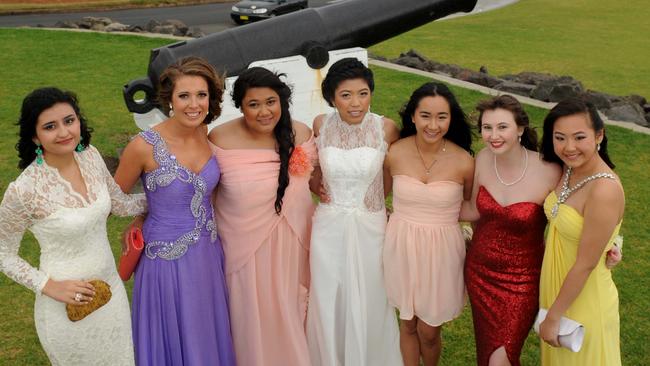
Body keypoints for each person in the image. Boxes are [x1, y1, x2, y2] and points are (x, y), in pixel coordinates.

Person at [0, 87, 147, 365]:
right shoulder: (24, 190)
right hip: (65, 307)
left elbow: (119, 204)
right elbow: (3, 253)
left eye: (69, 120)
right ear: (35, 136)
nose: (64, 132)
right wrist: (48, 286)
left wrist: (169, 199)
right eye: (50, 126)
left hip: (112, 294)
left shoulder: (90, 156)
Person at [114, 56, 235, 365]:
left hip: (208, 255)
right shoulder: (143, 146)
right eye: (184, 96)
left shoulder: (206, 135)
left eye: (201, 95)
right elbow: (112, 201)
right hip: (165, 260)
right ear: (169, 99)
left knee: (205, 332)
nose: (194, 104)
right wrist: (147, 208)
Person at [208, 67, 316, 366]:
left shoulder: (302, 133)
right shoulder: (220, 138)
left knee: (292, 311)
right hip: (244, 251)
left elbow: (321, 182)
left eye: (271, 102)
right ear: (241, 106)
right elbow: (201, 188)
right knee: (250, 318)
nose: (264, 111)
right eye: (253, 104)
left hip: (293, 247)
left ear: (282, 101)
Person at [306, 57, 402, 366]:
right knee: (327, 296)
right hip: (328, 225)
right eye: (345, 95)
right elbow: (314, 172)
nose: (355, 103)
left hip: (370, 225)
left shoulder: (386, 128)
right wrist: (315, 185)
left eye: (363, 93)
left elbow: (389, 177)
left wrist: (374, 205)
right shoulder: (321, 124)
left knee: (372, 299)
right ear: (332, 97)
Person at [461, 95, 561, 366]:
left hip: (523, 280)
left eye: (502, 127)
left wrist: (612, 244)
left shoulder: (550, 169)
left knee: (501, 358)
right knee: (488, 354)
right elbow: (472, 209)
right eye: (487, 128)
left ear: (520, 129)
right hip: (480, 273)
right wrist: (419, 210)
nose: (493, 135)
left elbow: (573, 217)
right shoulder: (482, 159)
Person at [383, 82, 474, 366]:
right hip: (402, 246)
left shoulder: (464, 161)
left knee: (429, 331)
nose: (433, 125)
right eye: (425, 115)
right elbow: (377, 197)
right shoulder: (394, 152)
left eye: (441, 117)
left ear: (451, 119)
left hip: (442, 251)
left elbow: (472, 207)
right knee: (407, 324)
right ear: (413, 116)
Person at [538, 97, 624, 365]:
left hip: (584, 299)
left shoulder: (604, 189)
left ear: (599, 135)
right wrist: (615, 245)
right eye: (560, 138)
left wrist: (553, 317)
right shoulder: (569, 169)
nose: (569, 147)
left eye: (579, 137)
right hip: (557, 288)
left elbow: (585, 265)